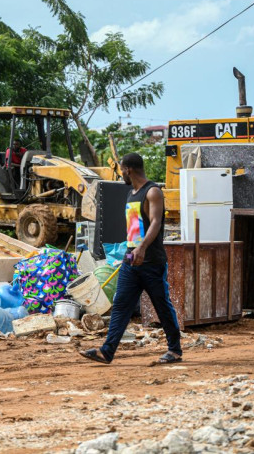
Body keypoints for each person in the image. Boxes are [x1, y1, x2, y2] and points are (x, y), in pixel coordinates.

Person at [80, 152, 182, 365]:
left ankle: (175, 350)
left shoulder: (152, 192)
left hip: (151, 262)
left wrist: (142, 248)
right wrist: (128, 254)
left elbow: (155, 223)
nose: (121, 174)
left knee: (161, 305)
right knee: (121, 305)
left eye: (122, 170)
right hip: (131, 261)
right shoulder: (132, 193)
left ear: (129, 169)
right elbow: (134, 231)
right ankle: (107, 351)